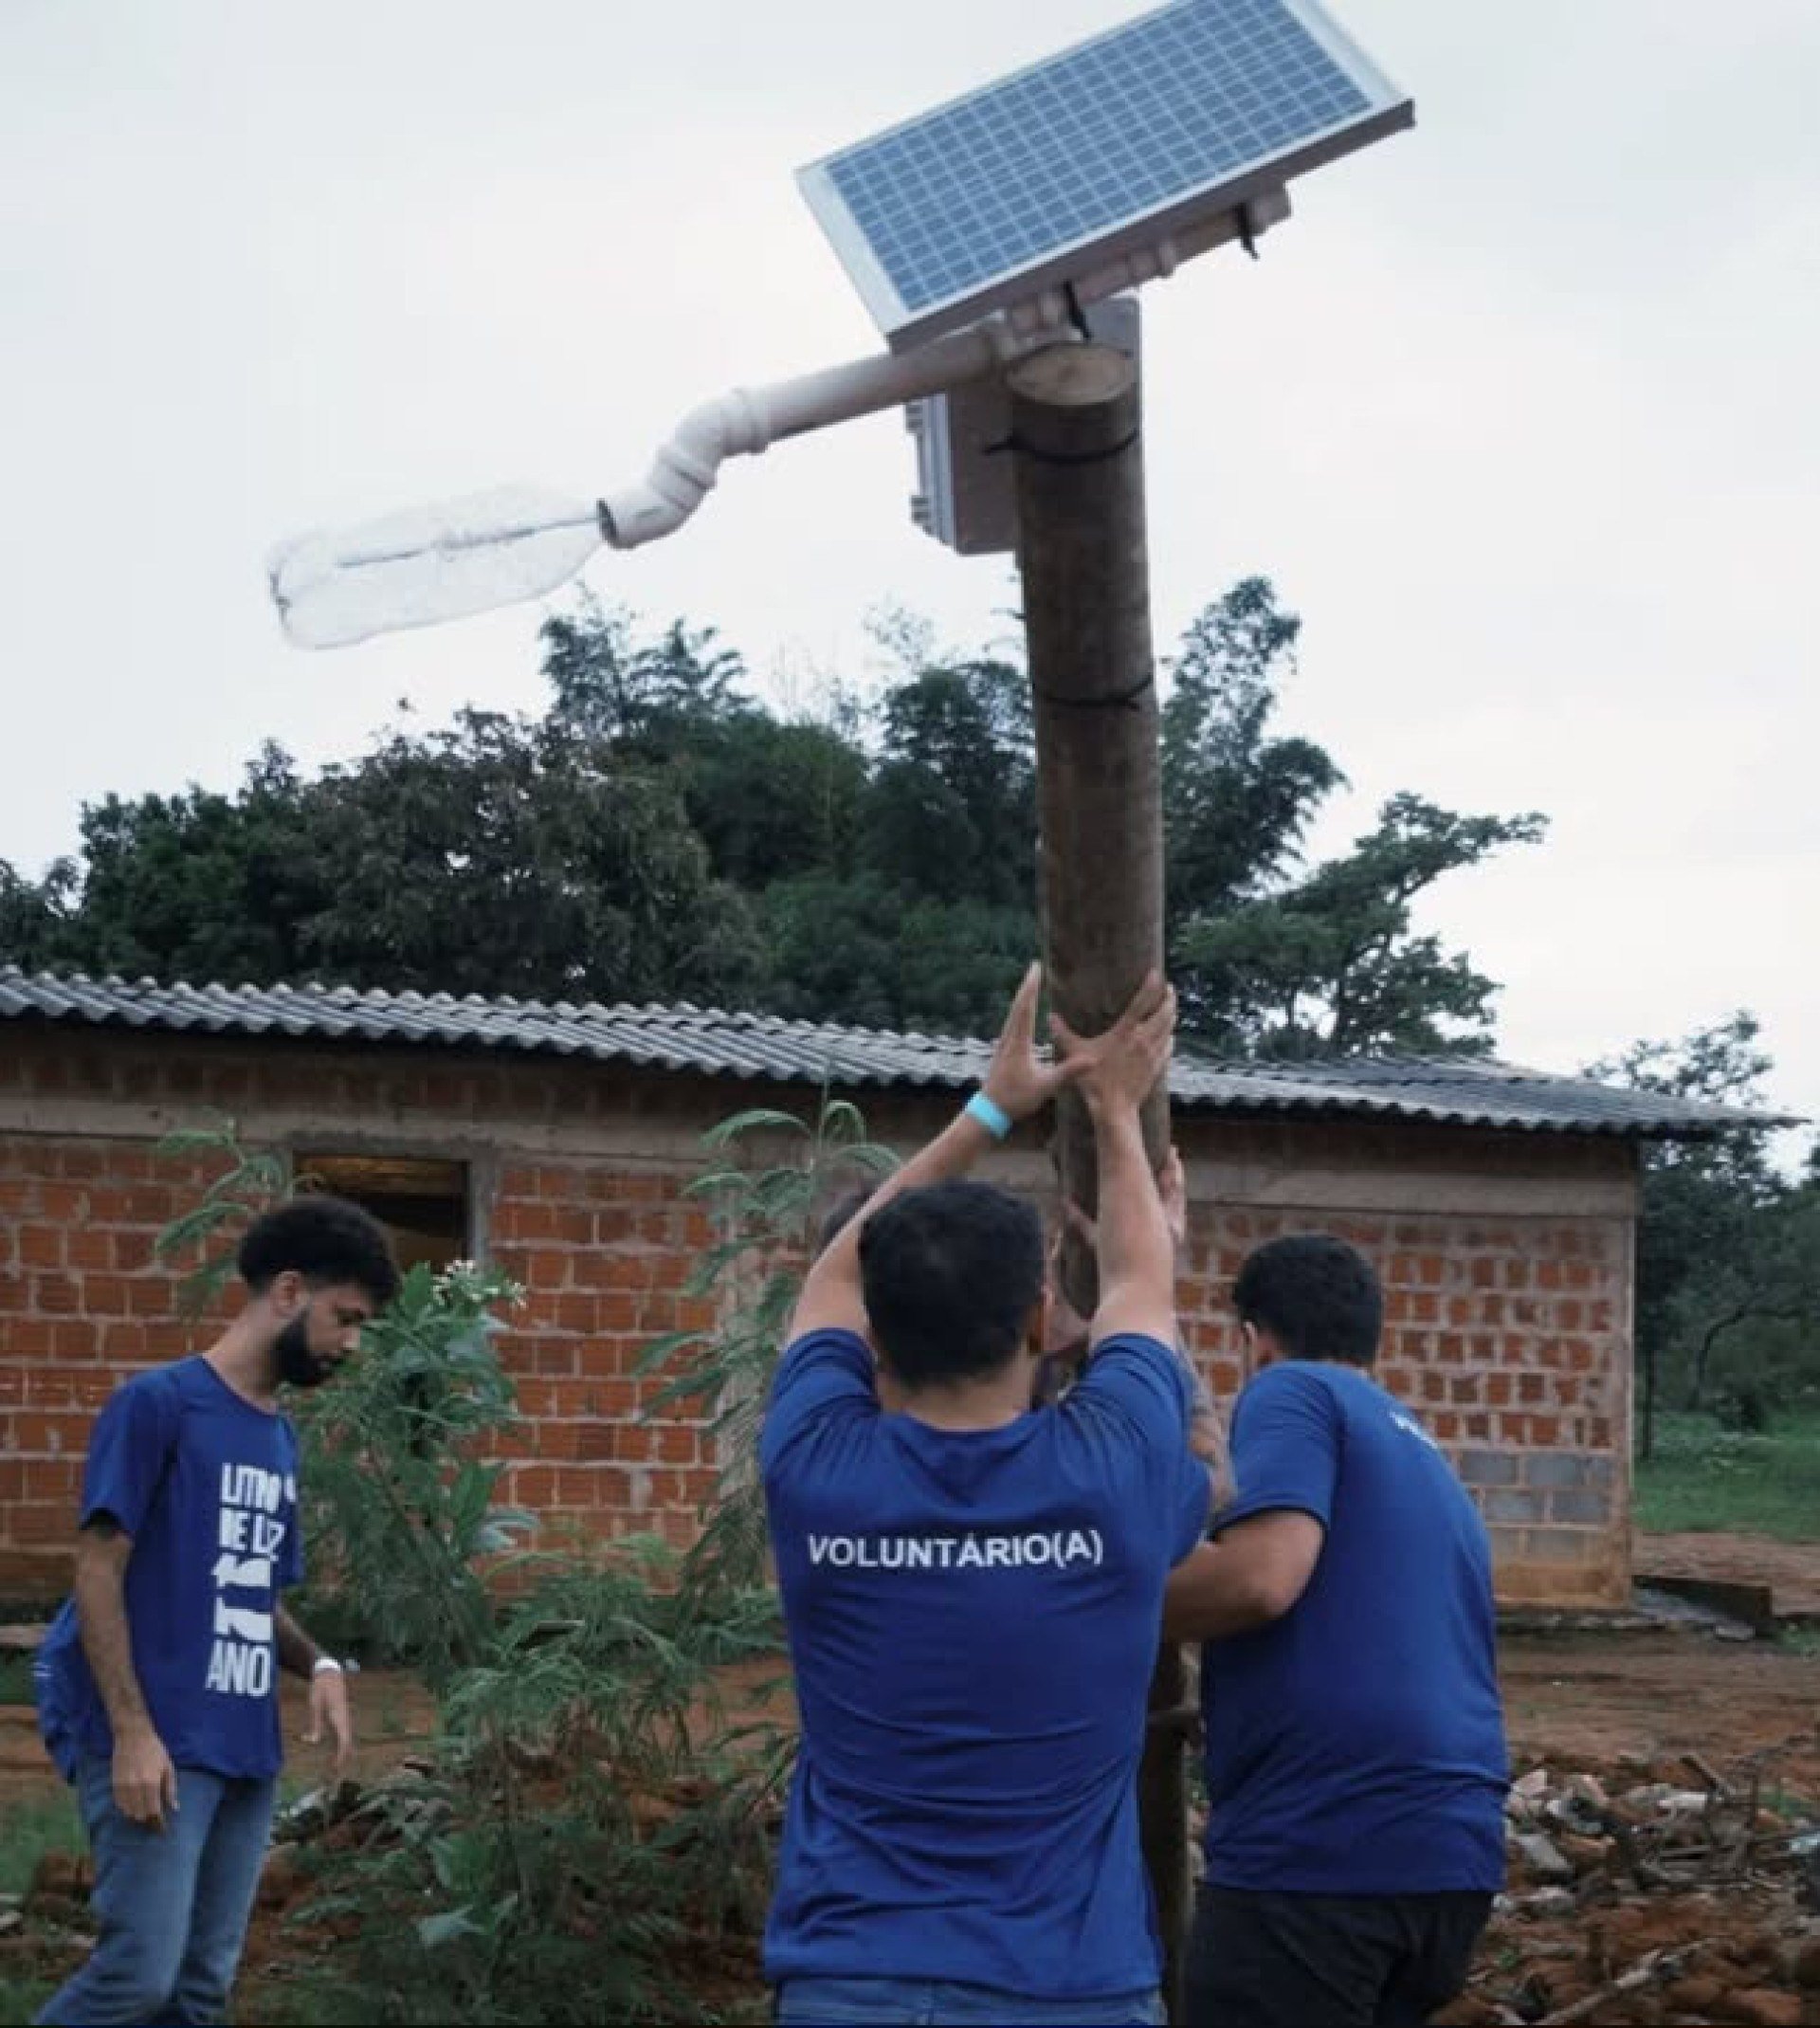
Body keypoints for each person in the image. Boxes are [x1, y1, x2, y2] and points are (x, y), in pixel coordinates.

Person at [761, 964, 1211, 2027]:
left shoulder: (817, 1472)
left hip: (849, 1983)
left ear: (874, 1330)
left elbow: (829, 1276)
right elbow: (1145, 1286)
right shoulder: (1114, 1472)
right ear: (1037, 1321)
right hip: (1071, 1993)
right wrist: (1110, 1112)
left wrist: (991, 1108)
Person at [32, 1194, 401, 2028]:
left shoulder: (277, 1435)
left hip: (244, 1744)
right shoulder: (158, 1404)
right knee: (139, 1977)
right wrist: (131, 1731)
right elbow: (96, 1564)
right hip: (160, 1740)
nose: (351, 1343)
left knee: (200, 1993)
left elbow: (252, 1593)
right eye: (344, 1318)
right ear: (289, 1289)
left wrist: (324, 1663)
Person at [1163, 1233, 1509, 2028]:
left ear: (1256, 1340)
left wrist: (1070, 1591)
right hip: (1447, 1861)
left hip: (1323, 1853)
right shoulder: (1417, 1447)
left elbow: (1258, 1580)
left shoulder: (1291, 1391)